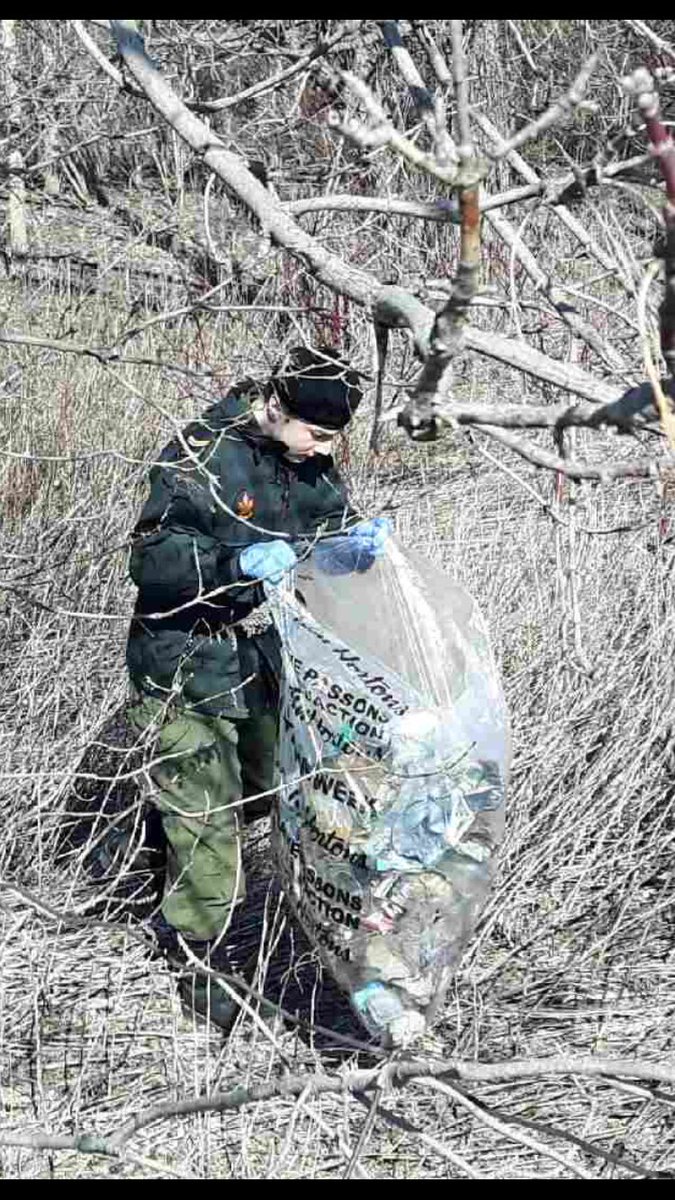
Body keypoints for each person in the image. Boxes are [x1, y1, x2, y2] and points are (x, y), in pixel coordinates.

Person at [125, 345, 389, 1029]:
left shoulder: (303, 459)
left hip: (259, 657)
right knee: (207, 820)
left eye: (334, 438)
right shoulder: (201, 455)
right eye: (315, 432)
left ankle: (152, 848)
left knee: (262, 788)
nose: (322, 449)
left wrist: (349, 549)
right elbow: (152, 565)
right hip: (184, 657)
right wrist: (233, 562)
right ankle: (199, 961)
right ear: (274, 405)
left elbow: (327, 523)